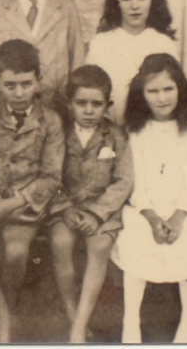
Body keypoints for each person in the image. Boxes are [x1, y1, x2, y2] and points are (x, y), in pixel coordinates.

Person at [0, 39, 65, 343]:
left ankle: (5, 315)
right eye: (10, 86)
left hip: (25, 205)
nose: (19, 93)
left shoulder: (51, 121)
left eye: (26, 84)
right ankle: (3, 315)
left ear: (38, 81)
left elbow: (51, 177)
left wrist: (14, 203)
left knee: (17, 252)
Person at [115, 53, 187, 344]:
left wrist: (179, 216)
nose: (162, 98)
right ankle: (131, 321)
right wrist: (153, 217)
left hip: (183, 207)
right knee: (136, 239)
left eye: (168, 89)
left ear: (180, 89)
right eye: (152, 91)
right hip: (144, 208)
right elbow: (135, 180)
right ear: (141, 94)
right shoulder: (135, 131)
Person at [47, 65, 133, 343]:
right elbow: (48, 174)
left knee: (99, 247)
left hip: (102, 212)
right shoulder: (58, 134)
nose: (88, 110)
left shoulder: (116, 137)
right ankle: (73, 312)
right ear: (69, 103)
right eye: (81, 103)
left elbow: (123, 180)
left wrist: (97, 214)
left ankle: (79, 325)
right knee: (61, 243)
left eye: (96, 104)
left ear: (108, 105)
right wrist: (65, 208)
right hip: (66, 208)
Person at [86, 0, 178, 126]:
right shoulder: (100, 44)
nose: (134, 6)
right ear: (116, 2)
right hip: (110, 132)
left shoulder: (164, 44)